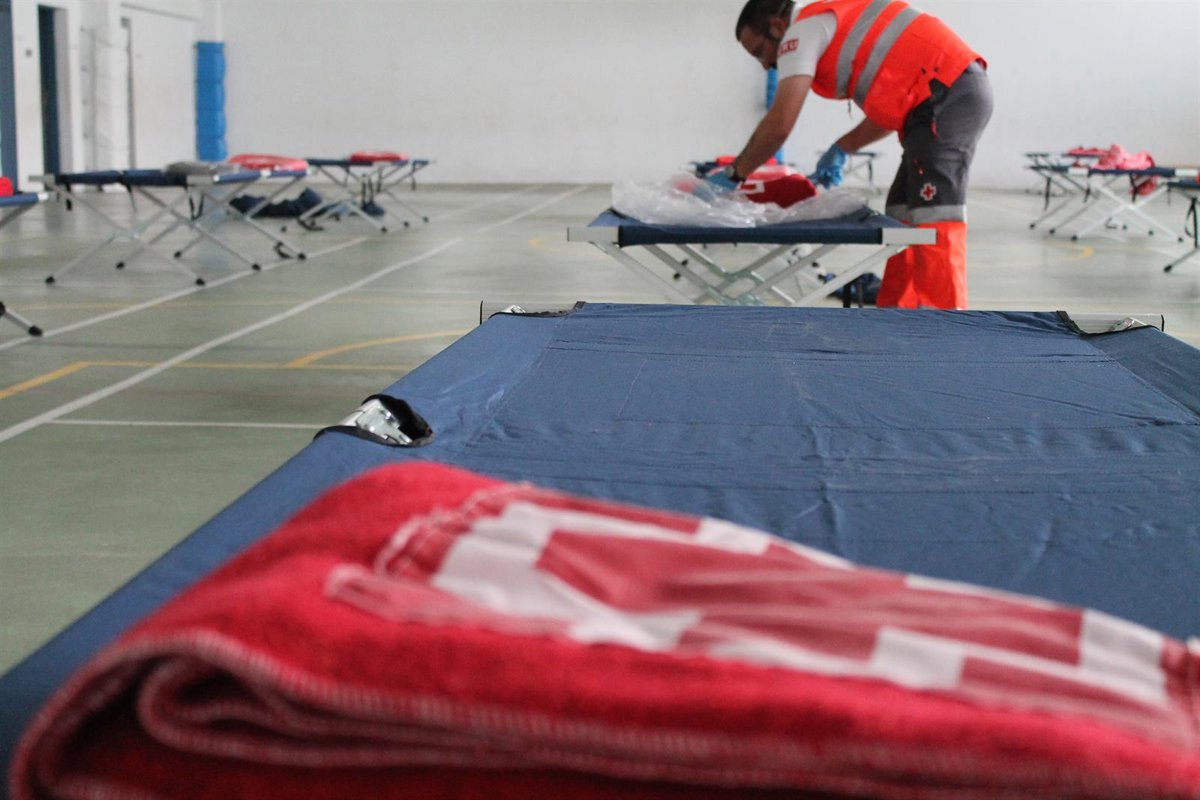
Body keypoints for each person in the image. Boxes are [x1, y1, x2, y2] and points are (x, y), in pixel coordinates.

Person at [709, 0, 993, 309]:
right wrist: (843, 146)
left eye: (759, 52)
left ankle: (945, 324)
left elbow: (780, 124)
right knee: (902, 213)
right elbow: (893, 111)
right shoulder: (831, 26)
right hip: (940, 97)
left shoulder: (801, 32)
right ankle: (898, 314)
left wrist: (735, 173)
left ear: (777, 27)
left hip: (948, 93)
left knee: (934, 215)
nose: (765, 65)